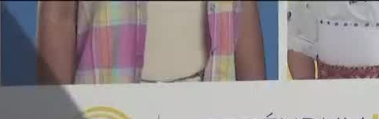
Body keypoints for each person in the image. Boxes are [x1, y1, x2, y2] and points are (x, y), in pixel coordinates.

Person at [36, 0, 266, 84]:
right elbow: (59, 13)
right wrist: (52, 115)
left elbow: (242, 8)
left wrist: (258, 106)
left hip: (210, 105)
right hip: (107, 103)